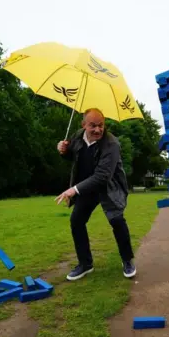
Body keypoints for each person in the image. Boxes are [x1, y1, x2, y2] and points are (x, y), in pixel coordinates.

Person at [55, 108, 136, 281]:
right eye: (93, 125)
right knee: (76, 221)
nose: (98, 130)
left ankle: (127, 260)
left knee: (117, 221)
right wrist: (62, 150)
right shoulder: (77, 136)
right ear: (84, 125)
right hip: (87, 188)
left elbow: (102, 176)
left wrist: (73, 189)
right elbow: (72, 156)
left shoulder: (112, 144)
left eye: (101, 125)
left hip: (109, 188)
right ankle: (85, 264)